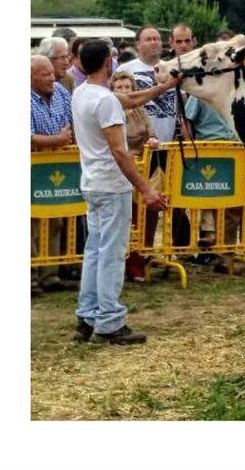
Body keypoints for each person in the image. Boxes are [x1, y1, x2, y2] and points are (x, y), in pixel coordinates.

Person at [71, 39, 180, 345]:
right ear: (108, 63)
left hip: (93, 183)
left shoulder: (83, 93)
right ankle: (108, 320)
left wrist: (165, 87)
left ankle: (88, 315)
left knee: (95, 251)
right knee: (111, 254)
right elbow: (120, 152)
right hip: (111, 184)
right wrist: (145, 189)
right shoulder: (104, 101)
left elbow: (131, 100)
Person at [180, 92, 243, 272]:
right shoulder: (200, 94)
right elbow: (186, 121)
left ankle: (226, 257)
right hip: (208, 151)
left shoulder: (238, 92)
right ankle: (209, 233)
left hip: (234, 153)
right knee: (208, 195)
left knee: (233, 206)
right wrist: (192, 149)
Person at [30, 55, 74, 296]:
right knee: (32, 223)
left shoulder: (60, 91)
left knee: (55, 219)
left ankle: (50, 274)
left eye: (51, 72)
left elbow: (73, 118)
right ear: (30, 77)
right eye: (45, 74)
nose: (52, 77)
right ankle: (31, 277)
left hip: (57, 168)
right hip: (33, 170)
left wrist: (62, 138)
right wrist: (56, 140)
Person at [110, 71, 160, 281]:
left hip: (143, 168)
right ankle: (124, 264)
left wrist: (153, 141)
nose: (123, 92)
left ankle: (143, 254)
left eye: (127, 88)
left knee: (147, 212)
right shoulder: (110, 112)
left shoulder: (141, 111)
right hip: (120, 169)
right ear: (112, 91)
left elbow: (152, 135)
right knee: (125, 218)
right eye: (119, 88)